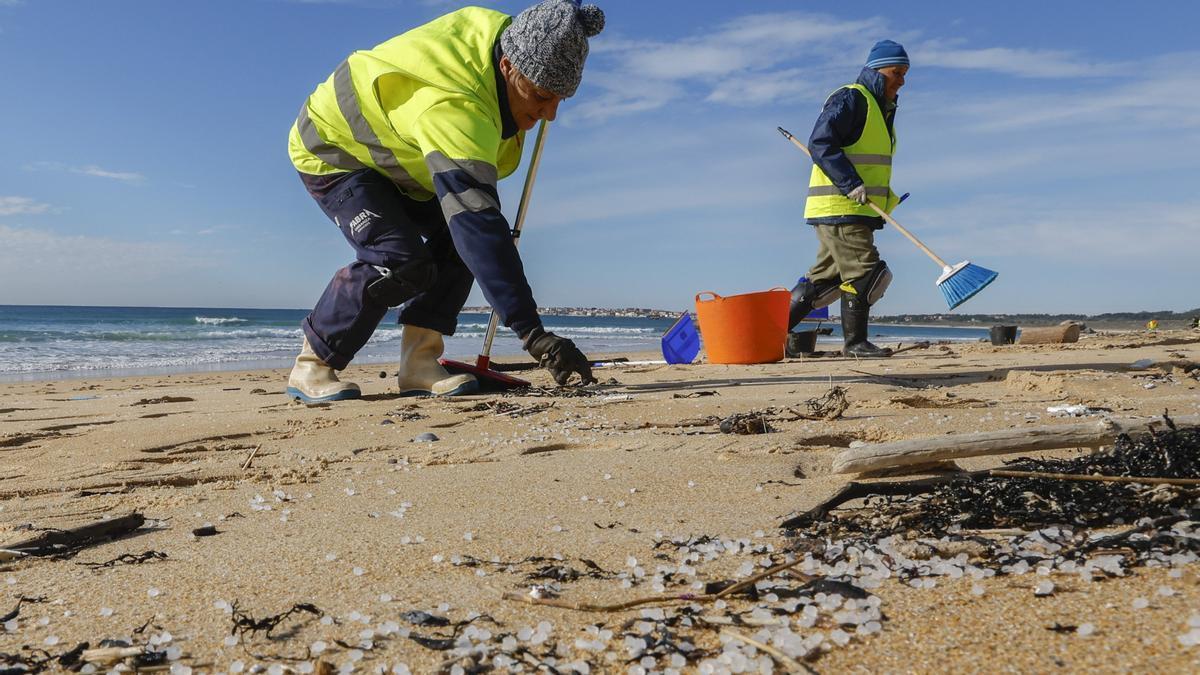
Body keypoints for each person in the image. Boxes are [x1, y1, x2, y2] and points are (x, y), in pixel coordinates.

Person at [284, 0, 603, 402]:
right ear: (508, 67)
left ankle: (419, 364)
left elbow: (472, 226)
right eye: (541, 95)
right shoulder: (456, 104)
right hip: (336, 148)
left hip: (404, 157)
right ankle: (313, 364)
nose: (550, 114)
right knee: (399, 261)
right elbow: (480, 225)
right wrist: (532, 333)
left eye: (560, 99)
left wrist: (543, 84)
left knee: (457, 241)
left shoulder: (515, 38)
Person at [785, 40, 909, 359]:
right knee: (868, 274)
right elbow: (821, 143)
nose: (902, 80)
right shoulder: (853, 98)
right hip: (843, 207)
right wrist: (850, 182)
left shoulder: (880, 109)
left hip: (852, 209)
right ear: (876, 71)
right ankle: (855, 343)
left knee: (823, 282)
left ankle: (767, 335)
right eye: (897, 72)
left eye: (905, 73)